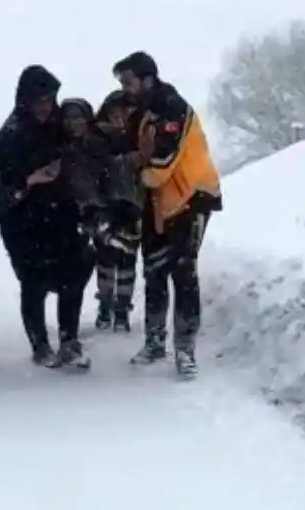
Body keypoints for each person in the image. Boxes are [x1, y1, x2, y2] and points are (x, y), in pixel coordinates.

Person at [112, 51, 222, 378]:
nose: (125, 89)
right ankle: (155, 341)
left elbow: (160, 164)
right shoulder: (143, 114)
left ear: (147, 78)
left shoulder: (173, 109)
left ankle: (185, 351)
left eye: (128, 81)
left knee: (184, 273)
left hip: (192, 198)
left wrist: (136, 170)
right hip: (159, 203)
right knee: (155, 270)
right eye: (121, 83)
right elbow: (125, 151)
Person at [0, 65, 93, 369]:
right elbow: (3, 190)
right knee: (33, 284)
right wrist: (30, 180)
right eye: (38, 101)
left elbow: (81, 150)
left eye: (49, 101)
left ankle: (69, 340)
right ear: (25, 101)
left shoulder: (58, 127)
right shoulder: (10, 136)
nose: (44, 108)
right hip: (24, 221)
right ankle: (40, 345)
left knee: (72, 279)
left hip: (62, 215)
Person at [90, 92, 145, 332]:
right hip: (105, 206)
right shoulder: (98, 139)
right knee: (105, 260)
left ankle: (122, 309)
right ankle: (105, 306)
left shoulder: (138, 136)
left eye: (122, 113)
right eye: (113, 114)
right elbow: (96, 167)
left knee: (128, 261)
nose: (118, 119)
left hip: (132, 207)